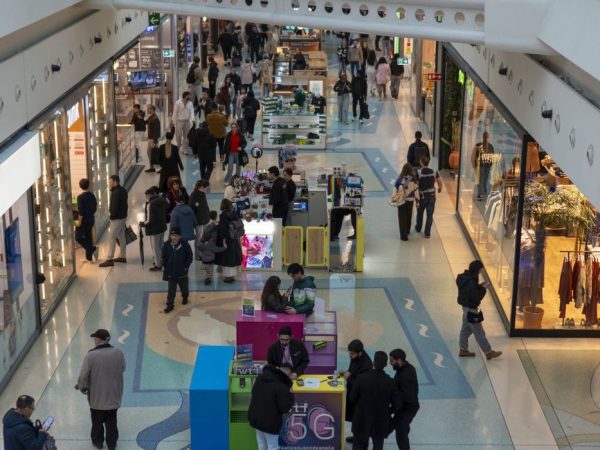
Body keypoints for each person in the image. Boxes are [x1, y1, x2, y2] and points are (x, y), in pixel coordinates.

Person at [76, 329, 126, 450]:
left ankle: (98, 442)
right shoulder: (118, 353)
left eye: (95, 338)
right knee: (112, 422)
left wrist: (83, 387)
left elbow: (83, 376)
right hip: (114, 395)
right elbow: (123, 368)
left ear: (99, 340)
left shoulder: (91, 355)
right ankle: (112, 443)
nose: (94, 340)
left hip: (97, 398)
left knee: (97, 422)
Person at [350, 351, 401, 450]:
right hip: (380, 421)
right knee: (378, 446)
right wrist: (387, 412)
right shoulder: (390, 382)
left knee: (359, 446)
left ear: (373, 363)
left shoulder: (361, 378)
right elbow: (397, 405)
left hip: (361, 419)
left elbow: (352, 398)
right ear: (385, 365)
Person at [457, 260, 502, 360]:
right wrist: (483, 288)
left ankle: (463, 349)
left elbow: (469, 291)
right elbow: (475, 297)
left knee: (465, 329)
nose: (481, 271)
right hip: (471, 309)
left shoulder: (465, 277)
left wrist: (479, 286)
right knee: (479, 332)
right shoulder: (472, 282)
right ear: (477, 269)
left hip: (465, 307)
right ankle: (488, 352)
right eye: (481, 269)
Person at [248, 363, 294, 450]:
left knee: (261, 443)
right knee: (272, 446)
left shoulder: (260, 377)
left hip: (256, 418)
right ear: (288, 373)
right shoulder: (282, 386)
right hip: (270, 423)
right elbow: (285, 408)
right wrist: (291, 394)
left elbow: (253, 392)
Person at [339, 339, 372, 444]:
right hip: (353, 392)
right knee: (354, 417)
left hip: (361, 397)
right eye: (349, 353)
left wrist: (348, 377)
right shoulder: (356, 356)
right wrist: (347, 372)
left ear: (360, 353)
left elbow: (361, 383)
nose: (350, 356)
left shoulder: (366, 365)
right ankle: (356, 436)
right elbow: (353, 369)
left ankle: (361, 440)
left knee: (359, 419)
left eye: (352, 354)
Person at [389, 349, 420, 450]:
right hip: (406, 406)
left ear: (399, 360)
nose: (390, 363)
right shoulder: (408, 367)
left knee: (401, 433)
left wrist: (392, 391)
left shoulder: (404, 376)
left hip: (407, 409)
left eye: (392, 361)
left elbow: (408, 397)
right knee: (399, 427)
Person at [161, 227, 193, 313]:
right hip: (171, 273)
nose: (174, 237)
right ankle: (170, 305)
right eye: (172, 235)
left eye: (176, 235)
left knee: (184, 288)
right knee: (171, 290)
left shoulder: (185, 244)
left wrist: (186, 266)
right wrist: (165, 265)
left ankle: (185, 297)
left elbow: (189, 256)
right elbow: (163, 256)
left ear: (180, 236)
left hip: (182, 273)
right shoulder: (167, 245)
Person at [99, 176, 128, 267]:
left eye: (110, 182)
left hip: (117, 218)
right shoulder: (123, 190)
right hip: (123, 216)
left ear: (115, 182)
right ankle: (122, 256)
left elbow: (115, 207)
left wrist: (112, 216)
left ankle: (109, 259)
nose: (109, 183)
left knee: (112, 237)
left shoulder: (116, 193)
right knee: (121, 236)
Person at [215, 198, 243, 283]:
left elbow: (224, 229)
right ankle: (232, 276)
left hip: (227, 239)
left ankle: (228, 277)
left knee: (226, 259)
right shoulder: (233, 214)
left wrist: (224, 240)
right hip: (235, 238)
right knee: (233, 258)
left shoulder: (223, 215)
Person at [140, 187, 168, 272]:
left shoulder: (150, 204)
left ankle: (158, 264)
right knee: (161, 245)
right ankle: (163, 261)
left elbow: (150, 220)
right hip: (162, 226)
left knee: (155, 248)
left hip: (154, 229)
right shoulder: (162, 200)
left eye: (146, 196)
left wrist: (143, 224)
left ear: (149, 195)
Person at [414, 157, 442, 239]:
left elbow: (416, 185)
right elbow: (440, 183)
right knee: (430, 215)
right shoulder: (434, 172)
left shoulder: (418, 172)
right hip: (432, 196)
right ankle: (427, 233)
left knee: (420, 213)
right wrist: (440, 188)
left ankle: (418, 228)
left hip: (422, 196)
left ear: (421, 163)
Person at [196, 211, 226, 285]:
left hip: (205, 257)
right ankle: (211, 276)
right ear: (216, 216)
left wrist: (199, 253)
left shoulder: (208, 227)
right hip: (214, 250)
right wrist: (225, 247)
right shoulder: (217, 226)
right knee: (211, 267)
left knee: (204, 268)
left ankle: (207, 278)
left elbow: (200, 242)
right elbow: (218, 249)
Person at [394, 164, 419, 241]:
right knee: (408, 216)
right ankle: (407, 231)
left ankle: (404, 236)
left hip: (401, 201)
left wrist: (395, 198)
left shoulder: (399, 179)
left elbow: (395, 190)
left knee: (402, 218)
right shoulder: (413, 180)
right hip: (410, 201)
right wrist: (417, 202)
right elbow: (416, 192)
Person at [76, 178, 98, 262]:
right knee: (88, 237)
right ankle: (89, 258)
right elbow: (95, 207)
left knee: (78, 237)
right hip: (91, 219)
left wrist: (79, 221)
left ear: (80, 186)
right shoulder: (92, 195)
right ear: (88, 185)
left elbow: (81, 211)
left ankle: (92, 249)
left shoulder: (80, 197)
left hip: (84, 221)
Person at [145, 104, 161, 173]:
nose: (147, 110)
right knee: (150, 152)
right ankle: (152, 167)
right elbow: (146, 122)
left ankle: (157, 167)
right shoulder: (151, 117)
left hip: (153, 139)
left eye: (148, 108)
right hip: (151, 138)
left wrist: (155, 141)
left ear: (152, 109)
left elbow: (156, 130)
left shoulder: (154, 118)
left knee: (153, 153)